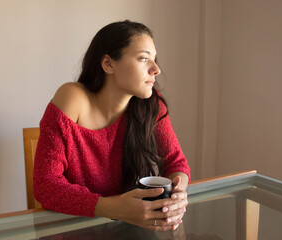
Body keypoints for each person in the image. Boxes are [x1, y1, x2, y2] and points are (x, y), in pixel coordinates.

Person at [33, 20, 190, 232]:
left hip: (127, 228)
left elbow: (176, 163)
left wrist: (178, 195)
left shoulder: (151, 106)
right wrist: (112, 207)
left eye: (154, 59)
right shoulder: (72, 98)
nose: (156, 69)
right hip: (73, 230)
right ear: (108, 64)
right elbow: (46, 186)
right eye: (144, 58)